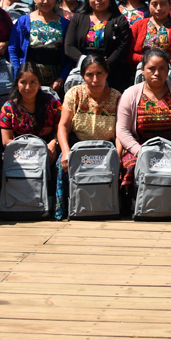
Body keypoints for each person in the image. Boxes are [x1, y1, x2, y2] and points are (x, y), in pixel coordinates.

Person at [116, 49, 171, 200]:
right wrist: (139, 152)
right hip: (141, 148)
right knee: (132, 167)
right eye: (151, 68)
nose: (157, 73)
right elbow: (122, 130)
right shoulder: (130, 94)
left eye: (162, 68)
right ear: (142, 70)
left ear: (168, 70)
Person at [56, 53, 122, 220]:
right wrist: (65, 152)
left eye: (99, 73)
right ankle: (64, 209)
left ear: (107, 74)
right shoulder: (74, 94)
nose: (95, 79)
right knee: (60, 165)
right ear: (83, 76)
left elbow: (121, 131)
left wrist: (118, 155)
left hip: (107, 149)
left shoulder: (117, 97)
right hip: (78, 147)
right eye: (89, 74)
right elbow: (63, 126)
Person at [63, 0, 132, 90]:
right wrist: (86, 63)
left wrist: (105, 66)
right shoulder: (78, 18)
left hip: (112, 74)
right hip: (83, 72)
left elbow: (123, 46)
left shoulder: (119, 20)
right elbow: (69, 46)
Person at [8, 0, 71, 91]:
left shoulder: (64, 23)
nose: (46, 1)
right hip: (29, 79)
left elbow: (69, 54)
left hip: (56, 81)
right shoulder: (23, 21)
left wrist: (62, 77)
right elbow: (13, 49)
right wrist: (19, 73)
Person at [0, 63, 61, 154]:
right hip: (21, 153)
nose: (28, 87)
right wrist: (32, 150)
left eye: (33, 82)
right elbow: (6, 141)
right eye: (23, 82)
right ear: (17, 84)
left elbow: (62, 130)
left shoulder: (53, 104)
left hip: (49, 151)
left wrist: (54, 142)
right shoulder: (8, 109)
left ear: (39, 84)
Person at [129, 0, 171, 78]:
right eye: (154, 4)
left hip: (170, 75)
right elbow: (129, 54)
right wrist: (147, 63)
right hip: (142, 73)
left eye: (163, 4)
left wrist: (163, 66)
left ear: (169, 5)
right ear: (149, 6)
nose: (159, 8)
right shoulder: (138, 25)